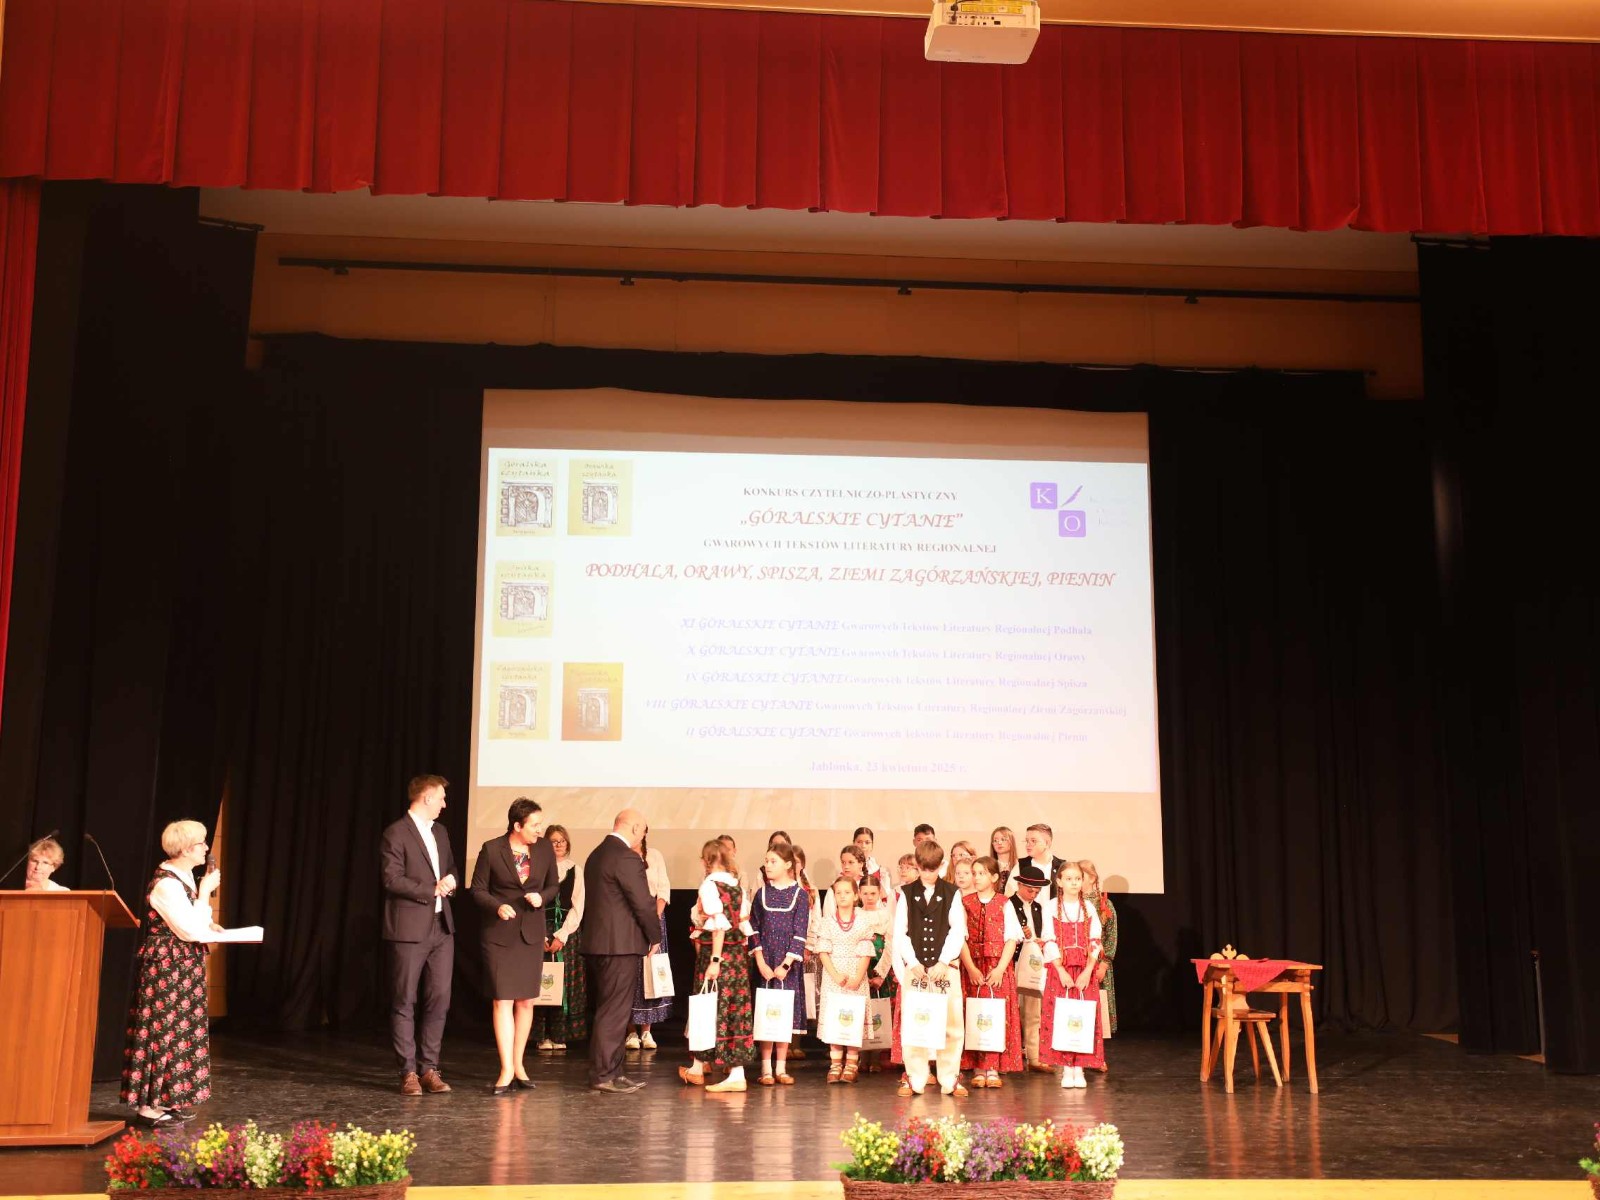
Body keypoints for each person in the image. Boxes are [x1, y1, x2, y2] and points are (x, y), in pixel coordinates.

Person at [120, 819, 220, 1125]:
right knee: (161, 1030)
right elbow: (188, 929)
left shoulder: (184, 877)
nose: (206, 848)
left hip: (183, 963)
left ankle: (167, 1098)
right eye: (202, 843)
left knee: (179, 1032)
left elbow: (192, 921)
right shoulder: (166, 883)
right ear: (186, 849)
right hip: (167, 966)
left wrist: (210, 924)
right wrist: (205, 893)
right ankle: (147, 1107)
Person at [471, 798, 559, 1094]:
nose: (540, 830)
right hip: (500, 935)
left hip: (530, 933)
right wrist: (497, 906)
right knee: (503, 1000)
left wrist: (542, 897)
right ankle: (506, 1068)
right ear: (517, 825)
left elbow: (553, 885)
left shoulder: (544, 848)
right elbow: (478, 889)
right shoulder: (492, 849)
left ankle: (519, 1064)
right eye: (535, 825)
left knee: (526, 1001)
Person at [380, 774, 458, 1096]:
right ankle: (408, 1072)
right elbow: (391, 878)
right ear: (426, 798)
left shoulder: (441, 832)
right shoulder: (396, 832)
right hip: (409, 929)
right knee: (404, 1000)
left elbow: (450, 868)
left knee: (439, 999)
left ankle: (429, 1069)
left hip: (442, 927)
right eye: (441, 798)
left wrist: (450, 881)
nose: (444, 804)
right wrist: (431, 889)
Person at [581, 808, 659, 1094]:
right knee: (614, 1011)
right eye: (644, 831)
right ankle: (603, 1074)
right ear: (636, 828)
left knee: (611, 1008)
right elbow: (643, 903)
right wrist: (655, 936)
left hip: (601, 944)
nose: (643, 837)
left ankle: (613, 1071)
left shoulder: (596, 854)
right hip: (619, 946)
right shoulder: (626, 857)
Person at [891, 839, 967, 1097]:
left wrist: (944, 961)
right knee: (915, 1023)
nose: (928, 874)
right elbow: (900, 932)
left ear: (941, 865)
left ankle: (950, 1078)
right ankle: (915, 1078)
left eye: (932, 869)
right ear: (917, 865)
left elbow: (957, 930)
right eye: (923, 869)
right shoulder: (906, 894)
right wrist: (912, 963)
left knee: (952, 1024)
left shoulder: (952, 893)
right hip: (917, 971)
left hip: (945, 969)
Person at [681, 838, 755, 1093]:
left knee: (713, 1009)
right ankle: (698, 1067)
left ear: (708, 860)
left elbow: (719, 927)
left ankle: (734, 1074)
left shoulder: (710, 885)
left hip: (719, 956)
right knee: (731, 1010)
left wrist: (714, 960)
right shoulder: (736, 886)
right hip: (736, 958)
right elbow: (742, 927)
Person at [1038, 861, 1104, 1088]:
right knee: (1062, 1016)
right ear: (1059, 881)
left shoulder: (1089, 908)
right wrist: (1060, 970)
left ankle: (1080, 1068)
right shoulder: (1051, 907)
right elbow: (1048, 939)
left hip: (1084, 970)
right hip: (1061, 970)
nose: (1074, 883)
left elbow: (1095, 940)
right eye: (1069, 879)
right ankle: (1067, 1068)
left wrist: (1088, 971)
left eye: (1077, 879)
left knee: (1083, 1015)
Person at [814, 872, 884, 1084]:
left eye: (847, 892)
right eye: (838, 893)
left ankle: (852, 1064)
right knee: (835, 1018)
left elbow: (866, 951)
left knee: (852, 1018)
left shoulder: (862, 921)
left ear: (855, 896)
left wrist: (858, 977)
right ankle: (835, 1064)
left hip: (855, 975)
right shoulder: (827, 922)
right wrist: (835, 975)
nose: (842, 896)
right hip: (834, 976)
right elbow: (823, 951)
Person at [960, 857, 1024, 1088]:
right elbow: (960, 938)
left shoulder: (1004, 903)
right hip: (974, 966)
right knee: (975, 1012)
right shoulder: (965, 902)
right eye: (974, 873)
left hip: (997, 967)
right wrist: (971, 968)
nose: (976, 878)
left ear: (994, 877)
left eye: (981, 873)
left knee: (996, 1014)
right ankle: (978, 1066)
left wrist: (1000, 969)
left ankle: (993, 1066)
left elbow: (1011, 939)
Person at [750, 844, 809, 1085]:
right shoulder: (761, 894)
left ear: (788, 864)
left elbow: (800, 931)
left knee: (783, 1014)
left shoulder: (800, 895)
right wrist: (761, 962)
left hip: (787, 966)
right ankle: (766, 1068)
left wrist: (786, 964)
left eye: (773, 861)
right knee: (767, 1013)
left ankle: (781, 1068)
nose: (768, 865)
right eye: (766, 861)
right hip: (766, 962)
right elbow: (754, 929)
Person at [535, 824, 589, 1053]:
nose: (558, 845)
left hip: (566, 933)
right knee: (541, 982)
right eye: (553, 841)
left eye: (562, 841)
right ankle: (542, 1035)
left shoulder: (575, 870)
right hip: (540, 932)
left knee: (563, 984)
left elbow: (578, 907)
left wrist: (562, 935)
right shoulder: (537, 869)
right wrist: (540, 935)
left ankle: (560, 1034)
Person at [627, 827, 672, 1050]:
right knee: (630, 973)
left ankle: (647, 1031)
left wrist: (653, 918)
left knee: (651, 971)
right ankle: (630, 1032)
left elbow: (663, 888)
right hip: (628, 920)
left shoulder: (654, 855)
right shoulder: (622, 856)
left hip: (653, 917)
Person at [1007, 861, 1054, 1072]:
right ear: (1019, 885)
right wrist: (1021, 935)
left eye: (1037, 891)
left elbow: (1043, 932)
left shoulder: (1038, 908)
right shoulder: (1008, 904)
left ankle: (1034, 1057)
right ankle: (1008, 1057)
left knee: (1034, 1011)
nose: (1033, 894)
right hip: (1012, 962)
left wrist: (1041, 941)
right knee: (1011, 1011)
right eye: (1030, 890)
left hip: (1032, 965)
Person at [1079, 859, 1119, 1053]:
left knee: (1098, 1007)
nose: (1077, 881)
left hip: (1097, 963)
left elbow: (1111, 936)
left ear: (1092, 878)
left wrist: (1104, 964)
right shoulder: (1072, 903)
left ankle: (1098, 1053)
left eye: (1081, 876)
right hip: (1077, 962)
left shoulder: (1104, 905)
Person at [1007, 824, 1066, 898]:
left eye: (1033, 841)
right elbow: (1009, 895)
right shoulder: (1021, 865)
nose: (1028, 845)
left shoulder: (1062, 867)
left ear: (1047, 843)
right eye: (1027, 841)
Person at [989, 827, 1019, 892]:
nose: (999, 843)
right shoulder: (988, 866)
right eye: (995, 840)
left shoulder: (1020, 866)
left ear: (1011, 841)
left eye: (1003, 839)